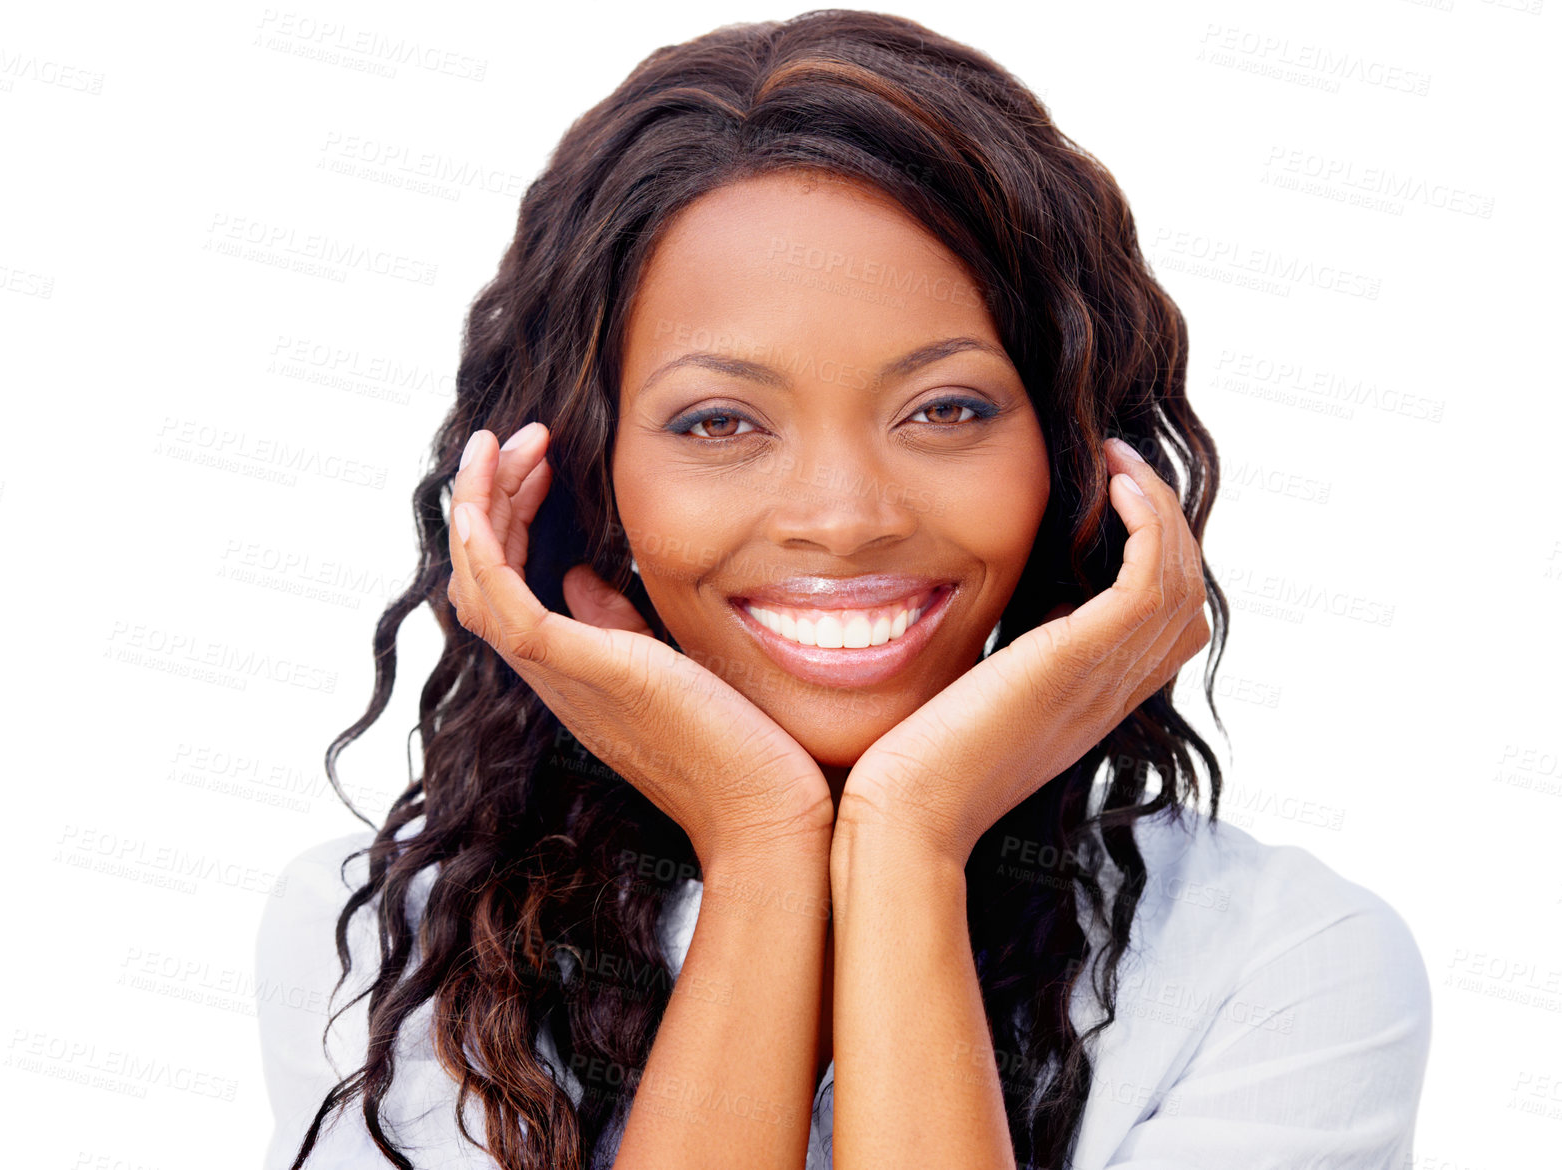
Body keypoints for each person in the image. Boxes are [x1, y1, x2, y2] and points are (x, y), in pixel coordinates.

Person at [256, 10, 1431, 1169]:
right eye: (720, 421)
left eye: (947, 410)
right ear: (585, 478)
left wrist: (909, 840)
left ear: (1077, 458)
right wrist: (762, 845)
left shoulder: (1286, 969)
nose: (844, 515)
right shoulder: (383, 956)